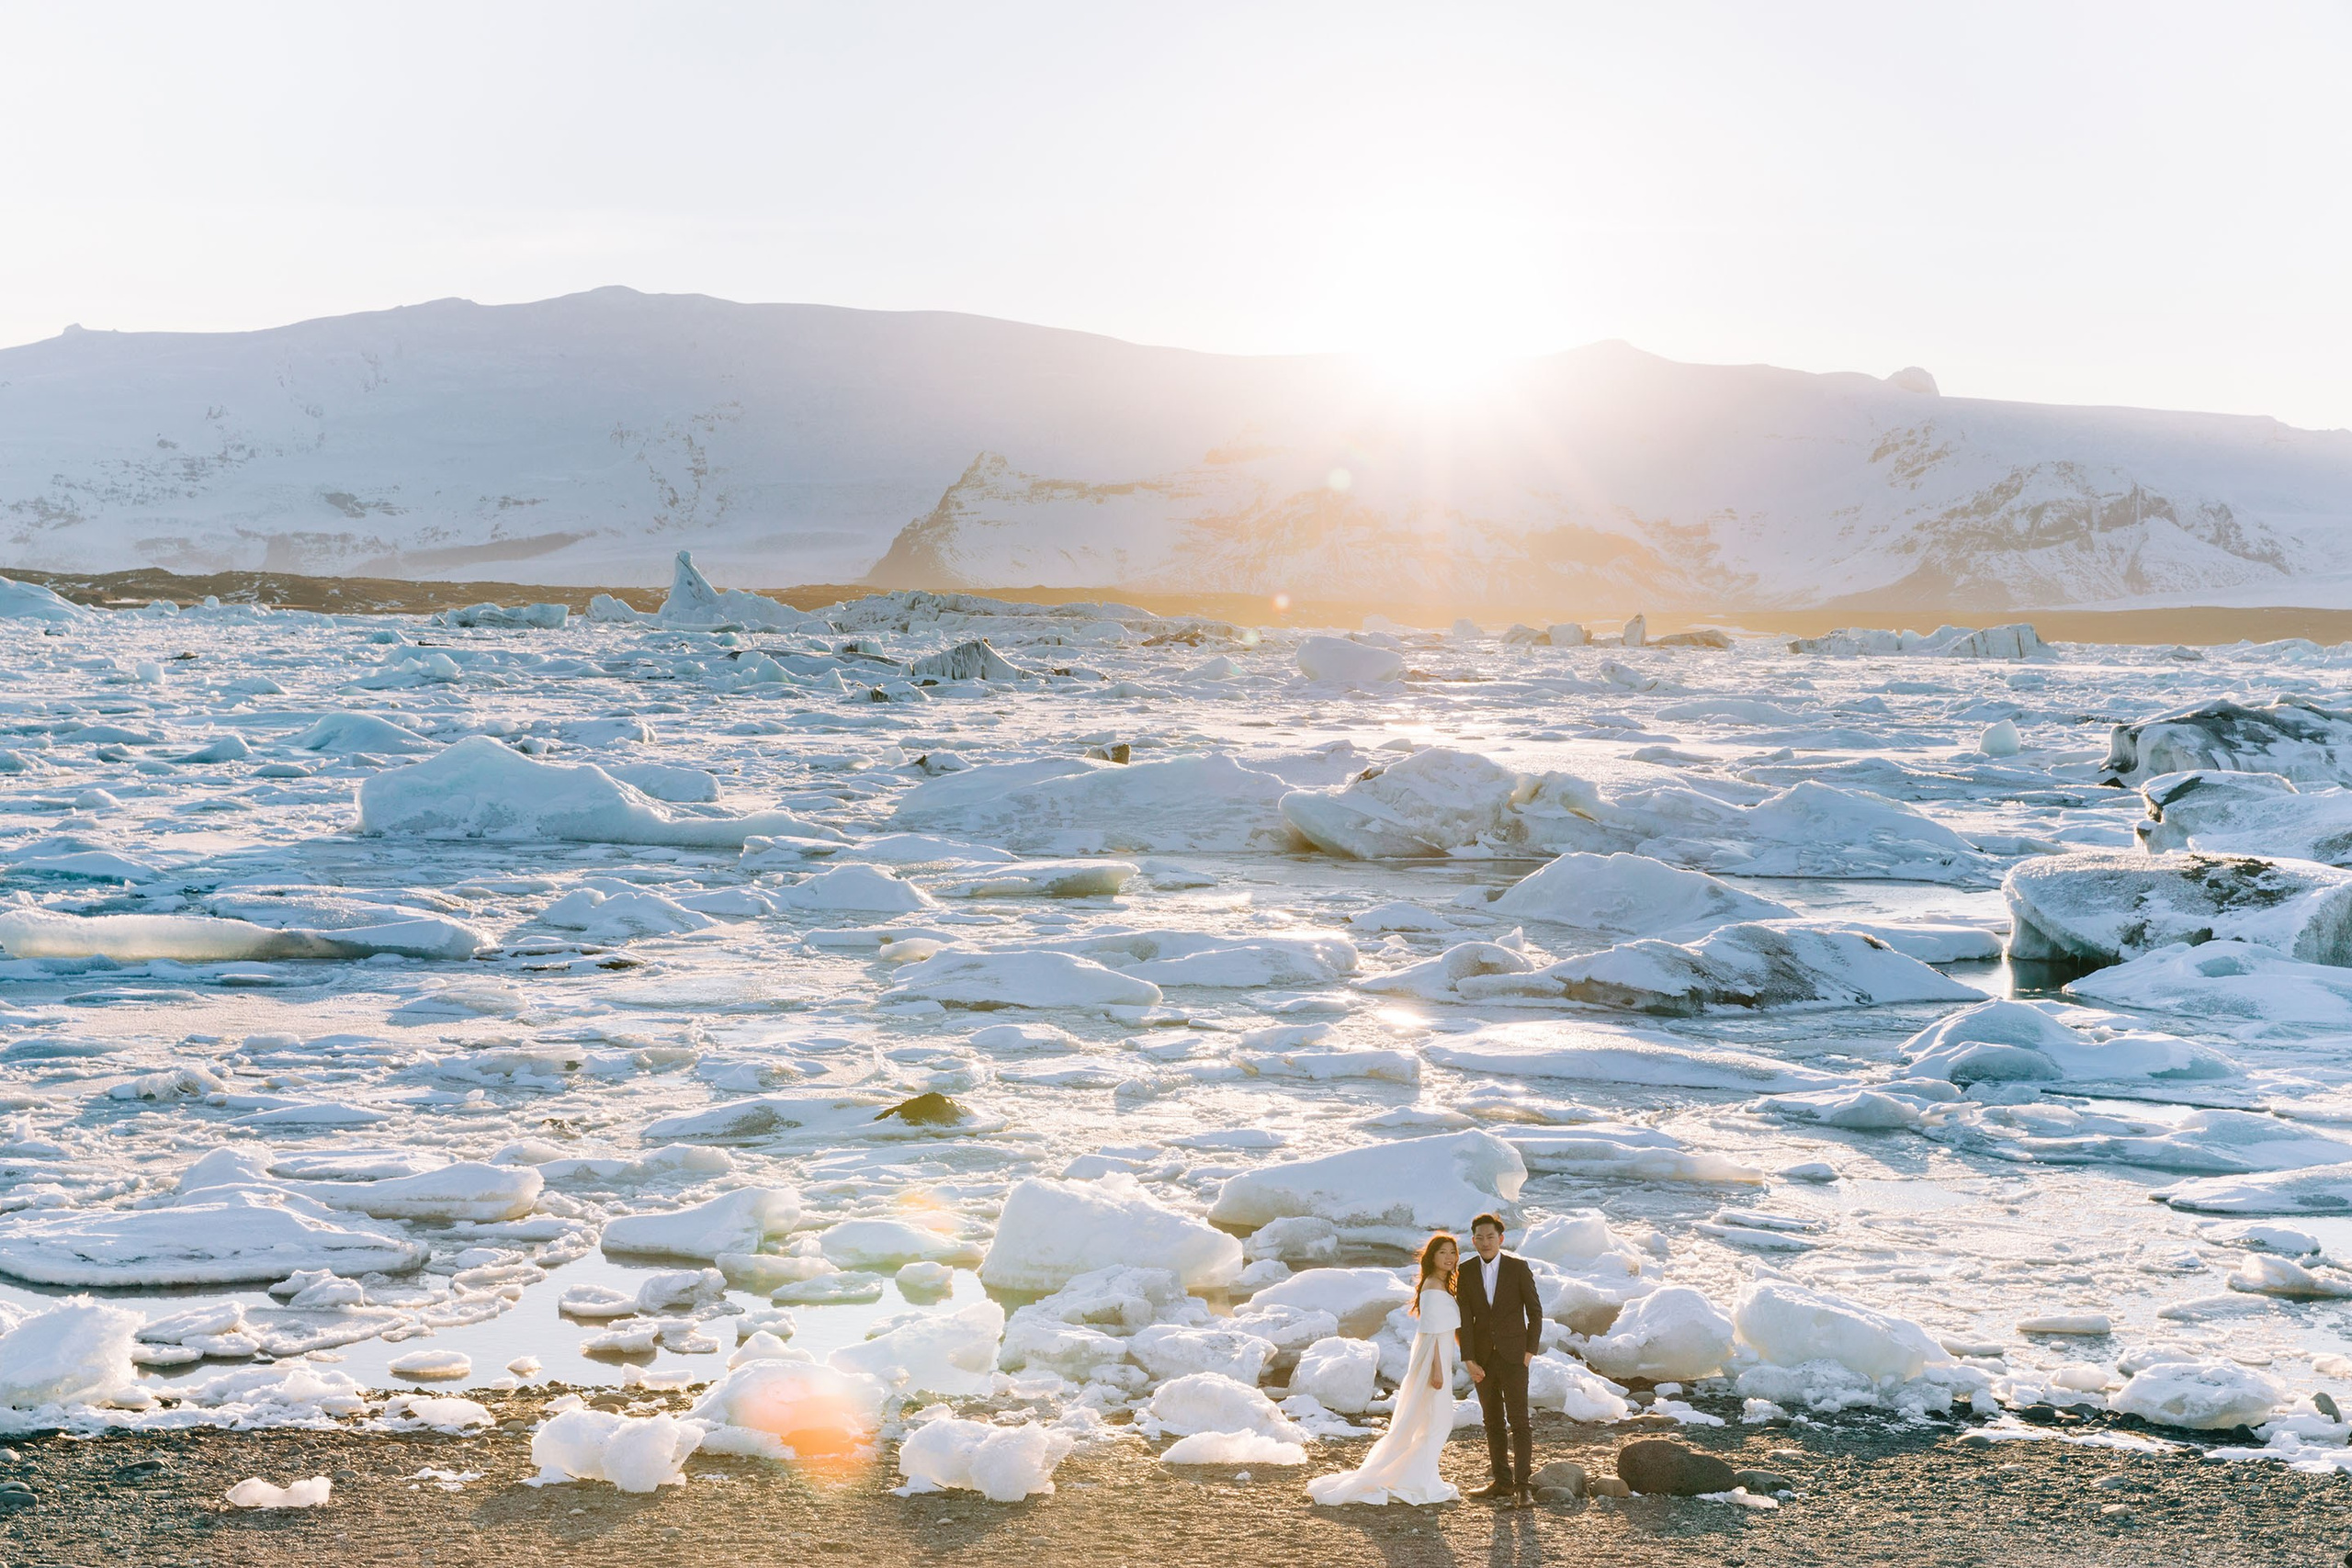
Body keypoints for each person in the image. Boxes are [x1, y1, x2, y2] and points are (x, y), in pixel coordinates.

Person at [1305, 1233, 1464, 1507]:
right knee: (1436, 1421)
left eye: (1453, 1252)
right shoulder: (1432, 1286)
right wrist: (1438, 1370)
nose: (1449, 1257)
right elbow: (1432, 1333)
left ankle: (1419, 1477)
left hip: (1435, 1358)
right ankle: (1416, 1481)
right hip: (1432, 1360)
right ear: (1432, 1257)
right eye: (1443, 1252)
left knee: (1431, 1422)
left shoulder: (1441, 1284)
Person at [1454, 1211, 1544, 1508]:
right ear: (1473, 1241)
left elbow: (1535, 1312)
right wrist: (1469, 1358)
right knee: (1492, 1421)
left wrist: (1529, 1352)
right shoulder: (1466, 1271)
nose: (1485, 1242)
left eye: (1490, 1237)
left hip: (1514, 1356)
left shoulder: (1518, 1268)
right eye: (1479, 1237)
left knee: (1519, 1421)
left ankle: (1523, 1487)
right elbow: (1464, 1319)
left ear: (1501, 1239)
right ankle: (1502, 1482)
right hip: (1482, 1358)